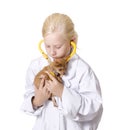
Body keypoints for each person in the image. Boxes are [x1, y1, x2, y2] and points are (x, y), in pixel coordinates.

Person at [21, 13, 103, 130]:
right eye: (47, 46)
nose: (52, 52)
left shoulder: (82, 70)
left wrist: (62, 91)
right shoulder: (36, 66)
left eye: (58, 46)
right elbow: (27, 100)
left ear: (72, 41)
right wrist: (37, 101)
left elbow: (94, 108)